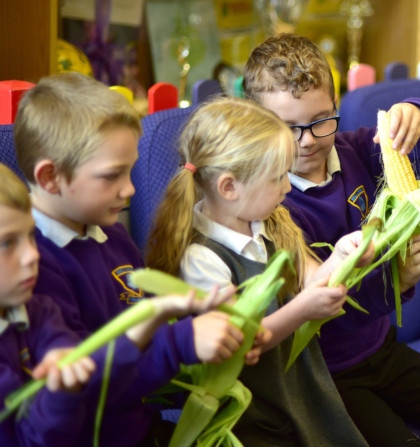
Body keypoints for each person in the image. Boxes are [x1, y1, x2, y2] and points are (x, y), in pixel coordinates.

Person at [241, 32, 420, 446]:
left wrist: (416, 114)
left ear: (335, 108)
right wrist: (396, 283)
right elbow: (323, 307)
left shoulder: (355, 150)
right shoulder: (272, 204)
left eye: (320, 121)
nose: (307, 140)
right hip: (326, 372)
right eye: (287, 127)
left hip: (381, 349)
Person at [12, 72, 267, 446]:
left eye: (129, 170)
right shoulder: (30, 268)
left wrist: (217, 341)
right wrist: (184, 343)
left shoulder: (111, 233)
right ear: (50, 177)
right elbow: (87, 386)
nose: (130, 188)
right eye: (112, 175)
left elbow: (149, 329)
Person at [145, 96, 372, 446]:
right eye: (277, 177)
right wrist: (303, 310)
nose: (286, 187)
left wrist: (341, 256)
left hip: (298, 392)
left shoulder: (263, 224)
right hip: (256, 416)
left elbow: (310, 283)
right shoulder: (203, 259)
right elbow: (239, 342)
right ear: (229, 187)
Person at [0, 163, 249, 447]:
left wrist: (182, 319)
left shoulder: (39, 311)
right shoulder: (46, 285)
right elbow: (43, 435)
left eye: (30, 236)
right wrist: (64, 393)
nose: (32, 254)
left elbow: (102, 370)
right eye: (8, 243)